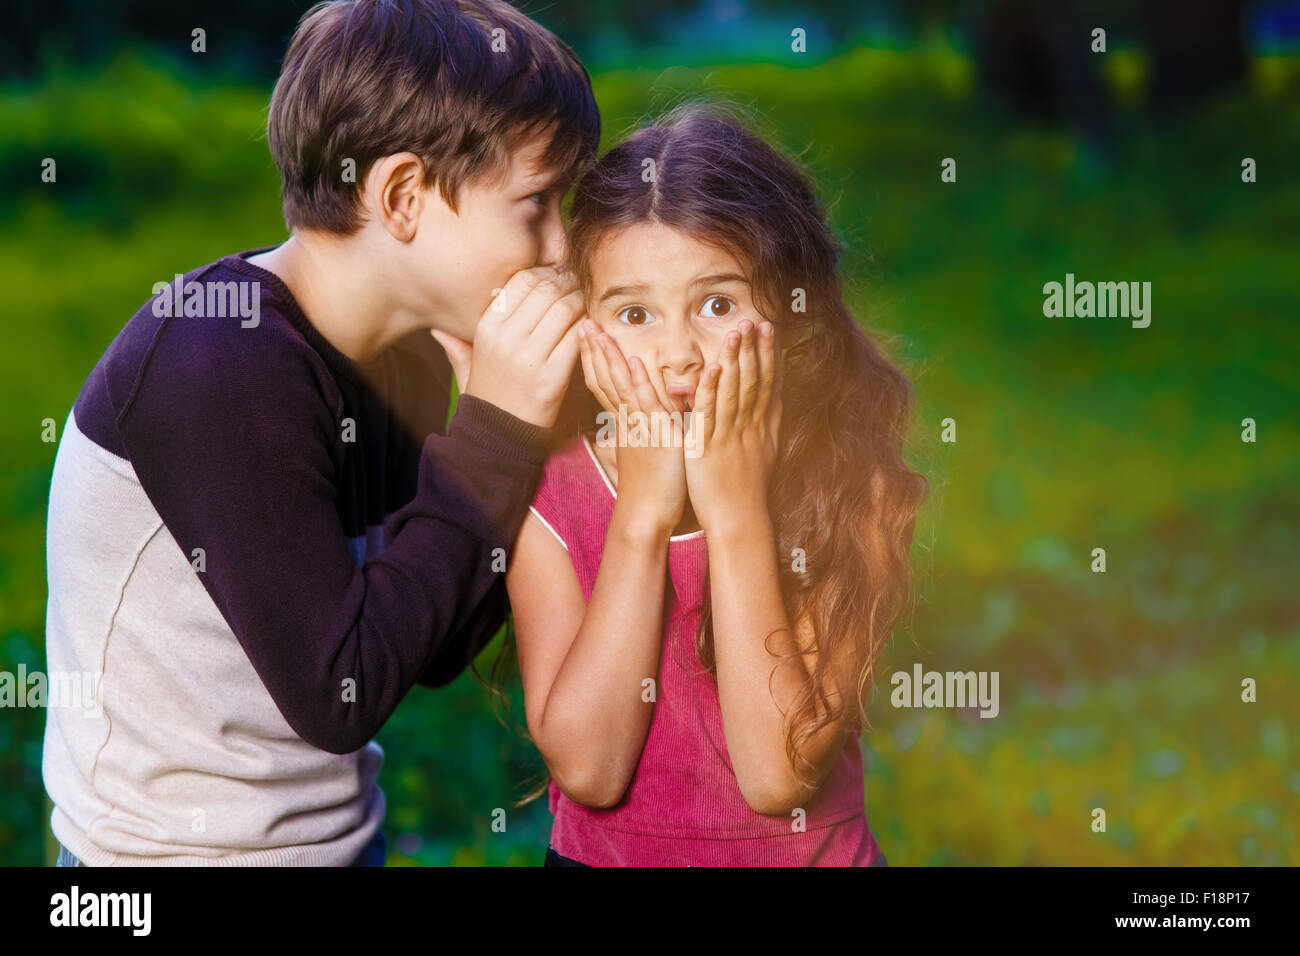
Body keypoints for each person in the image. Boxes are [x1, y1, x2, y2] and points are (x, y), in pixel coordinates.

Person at [42, 0, 598, 866]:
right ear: (404, 196)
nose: (560, 247)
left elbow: (434, 639)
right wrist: (495, 434)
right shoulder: (216, 364)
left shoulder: (404, 353)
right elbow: (343, 691)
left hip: (339, 845)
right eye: (536, 203)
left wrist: (526, 433)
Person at [504, 103, 928, 866]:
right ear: (584, 322)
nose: (678, 356)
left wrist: (734, 514)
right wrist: (642, 517)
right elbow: (590, 771)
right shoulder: (550, 488)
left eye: (719, 305)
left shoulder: (847, 478)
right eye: (634, 313)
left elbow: (777, 777)